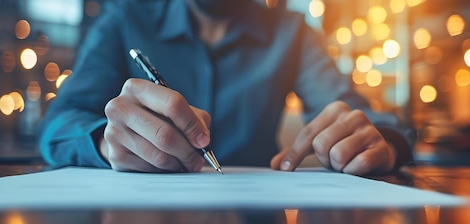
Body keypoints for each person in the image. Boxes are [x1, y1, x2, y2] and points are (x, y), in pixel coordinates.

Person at [39, 0, 412, 175]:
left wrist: (380, 142)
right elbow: (59, 125)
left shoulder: (292, 33)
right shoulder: (123, 20)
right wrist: (107, 142)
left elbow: (360, 118)